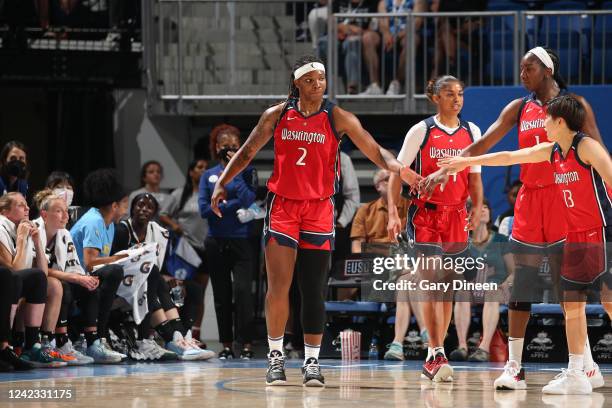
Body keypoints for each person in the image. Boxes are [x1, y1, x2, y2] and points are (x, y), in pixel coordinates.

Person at [210, 55, 420, 386]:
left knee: (313, 289)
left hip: (319, 209)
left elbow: (374, 149)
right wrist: (222, 182)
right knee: (279, 286)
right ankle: (276, 358)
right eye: (310, 80)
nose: (317, 84)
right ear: (296, 84)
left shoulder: (338, 117)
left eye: (321, 78)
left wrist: (397, 167)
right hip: (283, 208)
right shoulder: (277, 115)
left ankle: (311, 362)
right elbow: (248, 151)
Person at [423, 46, 604, 391]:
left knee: (569, 291)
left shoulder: (572, 106)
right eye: (520, 69)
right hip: (530, 200)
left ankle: (582, 366)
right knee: (521, 283)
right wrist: (450, 168)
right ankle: (515, 366)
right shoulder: (519, 107)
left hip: (564, 199)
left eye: (528, 68)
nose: (522, 75)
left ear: (547, 70)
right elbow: (488, 144)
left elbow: (597, 150)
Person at [388, 75, 484, 381]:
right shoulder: (422, 131)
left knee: (448, 288)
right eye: (449, 94)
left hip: (457, 216)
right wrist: (393, 211)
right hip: (426, 216)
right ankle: (435, 351)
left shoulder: (473, 131)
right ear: (435, 98)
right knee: (430, 282)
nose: (456, 99)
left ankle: (437, 350)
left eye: (460, 94)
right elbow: (396, 172)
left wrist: (477, 209)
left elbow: (475, 177)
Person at [112, 193, 214, 361]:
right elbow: (116, 263)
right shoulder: (123, 230)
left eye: (149, 207)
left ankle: (182, 336)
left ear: (154, 213)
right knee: (153, 279)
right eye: (140, 205)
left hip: (150, 280)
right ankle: (173, 338)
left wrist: (170, 278)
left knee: (193, 288)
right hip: (125, 284)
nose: (144, 209)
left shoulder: (159, 233)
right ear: (132, 209)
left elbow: (162, 266)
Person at [200, 130, 258, 360]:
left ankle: (245, 344)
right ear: (217, 148)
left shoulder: (248, 171)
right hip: (216, 240)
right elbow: (205, 210)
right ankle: (225, 344)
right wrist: (229, 205)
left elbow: (248, 199)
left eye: (235, 144)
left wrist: (224, 201)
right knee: (221, 295)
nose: (230, 148)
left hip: (242, 240)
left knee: (243, 292)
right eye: (225, 145)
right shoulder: (208, 175)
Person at [69, 168, 131, 363]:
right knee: (114, 271)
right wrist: (118, 258)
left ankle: (158, 337)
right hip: (74, 279)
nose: (126, 210)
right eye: (125, 205)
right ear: (114, 205)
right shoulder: (94, 221)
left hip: (90, 278)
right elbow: (89, 263)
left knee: (149, 272)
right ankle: (98, 339)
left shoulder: (110, 224)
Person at [33, 189, 94, 365]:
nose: (65, 216)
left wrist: (85, 279)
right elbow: (38, 269)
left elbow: (74, 267)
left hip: (55, 281)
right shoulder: (34, 230)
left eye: (66, 211)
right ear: (44, 214)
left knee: (91, 286)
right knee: (62, 286)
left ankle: (94, 342)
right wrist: (74, 278)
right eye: (59, 211)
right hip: (34, 283)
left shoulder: (65, 233)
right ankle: (53, 342)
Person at [449, 199, 514, 363]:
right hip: (472, 287)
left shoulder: (500, 240)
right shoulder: (463, 242)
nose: (483, 210)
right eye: (479, 207)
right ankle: (462, 347)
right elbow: (454, 272)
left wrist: (505, 285)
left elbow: (514, 272)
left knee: (492, 292)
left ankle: (483, 348)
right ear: (468, 215)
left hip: (498, 288)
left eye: (486, 207)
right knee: (462, 292)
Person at [0, 193, 57, 367]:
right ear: (4, 211)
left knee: (38, 278)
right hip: (6, 280)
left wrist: (37, 241)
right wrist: (22, 239)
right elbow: (13, 271)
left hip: (11, 281)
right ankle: (7, 345)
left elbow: (43, 273)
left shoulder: (22, 227)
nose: (27, 209)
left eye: (27, 205)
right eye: (20, 205)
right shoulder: (1, 226)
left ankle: (31, 345)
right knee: (12, 278)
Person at [162, 158, 209, 342]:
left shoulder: (211, 193)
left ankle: (194, 333)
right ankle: (177, 332)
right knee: (179, 291)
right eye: (199, 167)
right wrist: (176, 227)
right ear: (191, 172)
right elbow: (163, 214)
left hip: (204, 249)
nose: (203, 170)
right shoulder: (180, 194)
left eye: (206, 168)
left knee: (199, 294)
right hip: (184, 250)